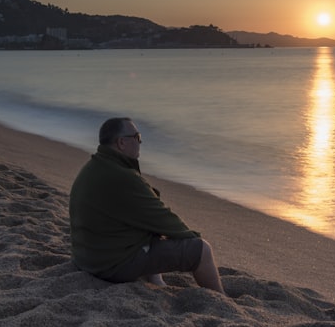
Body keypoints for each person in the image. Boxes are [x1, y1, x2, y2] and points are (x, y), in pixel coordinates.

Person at [69, 117, 224, 293]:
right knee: (202, 250)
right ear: (121, 142)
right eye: (137, 137)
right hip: (110, 265)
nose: (140, 142)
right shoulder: (123, 177)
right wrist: (192, 237)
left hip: (87, 258)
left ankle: (155, 279)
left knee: (147, 227)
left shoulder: (93, 167)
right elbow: (164, 220)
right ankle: (221, 298)